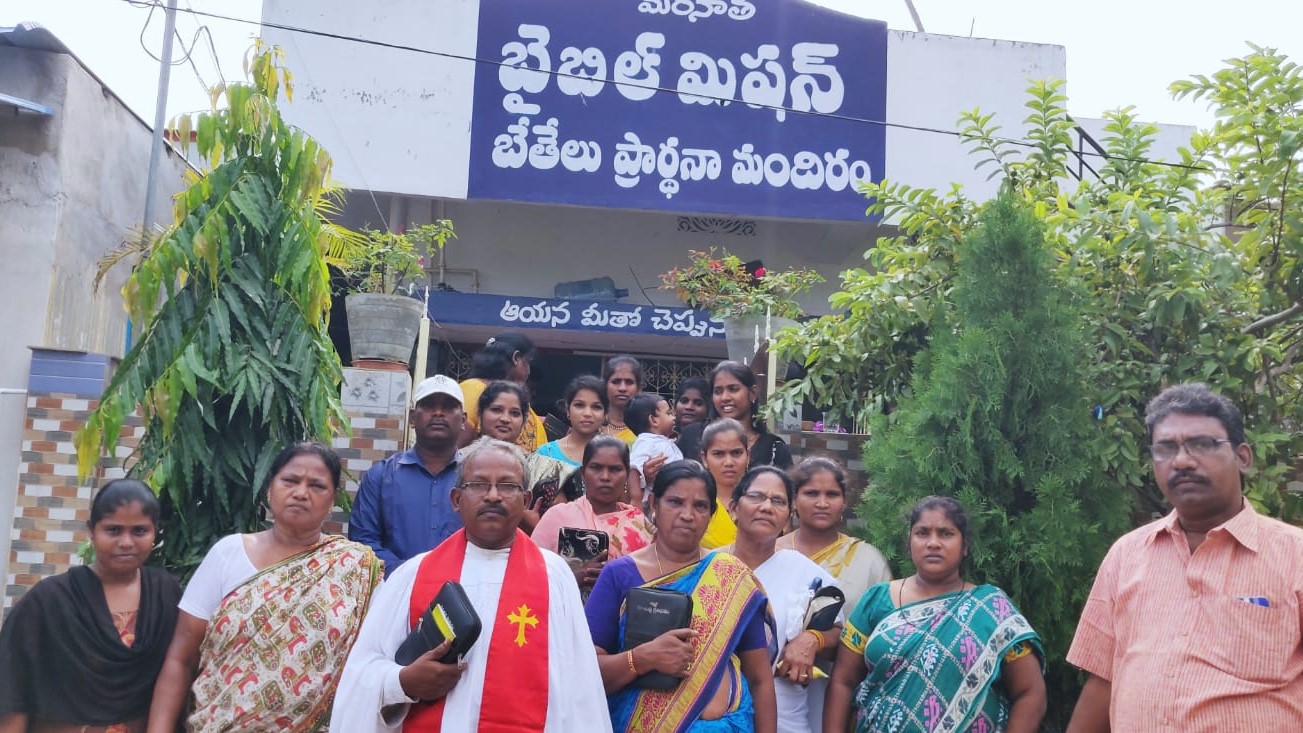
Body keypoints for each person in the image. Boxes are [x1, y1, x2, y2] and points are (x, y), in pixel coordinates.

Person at [1065, 383, 1303, 732]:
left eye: (1202, 444)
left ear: (1243, 457)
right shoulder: (1126, 554)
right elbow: (1105, 679)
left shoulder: (1294, 555)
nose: (1182, 461)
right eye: (1165, 449)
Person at [330, 437, 611, 732]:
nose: (493, 496)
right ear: (456, 499)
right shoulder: (412, 575)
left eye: (507, 486)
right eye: (478, 485)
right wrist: (404, 682)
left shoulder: (555, 576)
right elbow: (361, 675)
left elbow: (581, 691)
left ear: (526, 500)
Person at [147, 443, 382, 732]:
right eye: (290, 481)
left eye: (317, 486)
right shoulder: (228, 554)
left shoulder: (354, 569)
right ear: (270, 488)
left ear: (332, 499)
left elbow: (372, 665)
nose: (301, 492)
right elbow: (181, 658)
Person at [585, 460, 778, 733]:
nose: (687, 515)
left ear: (711, 514)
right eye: (675, 502)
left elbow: (760, 679)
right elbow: (585, 672)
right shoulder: (619, 575)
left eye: (700, 506)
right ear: (653, 504)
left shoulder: (731, 577)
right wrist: (641, 659)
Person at [825, 496, 1046, 733]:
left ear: (965, 546)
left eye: (946, 533)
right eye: (922, 533)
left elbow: (1030, 692)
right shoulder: (876, 601)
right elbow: (842, 682)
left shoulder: (991, 609)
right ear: (909, 543)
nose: (933, 543)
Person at [0, 479, 180, 733]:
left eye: (139, 531)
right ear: (91, 531)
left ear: (155, 533)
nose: (126, 542)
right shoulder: (49, 600)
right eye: (113, 530)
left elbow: (183, 673)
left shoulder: (167, 594)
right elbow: (13, 689)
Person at [721, 467, 843, 733]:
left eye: (778, 501)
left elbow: (838, 632)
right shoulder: (710, 567)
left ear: (788, 518)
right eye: (756, 497)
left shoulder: (803, 571)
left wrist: (813, 639)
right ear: (733, 508)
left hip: (785, 718)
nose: (766, 507)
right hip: (713, 718)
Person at [350, 374, 466, 576]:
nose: (438, 412)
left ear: (463, 419)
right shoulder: (380, 477)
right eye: (429, 405)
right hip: (394, 594)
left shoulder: (477, 480)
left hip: (464, 594)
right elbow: (363, 544)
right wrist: (411, 575)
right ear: (412, 417)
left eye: (448, 406)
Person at [532, 436, 654, 594]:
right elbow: (531, 575)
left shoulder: (639, 525)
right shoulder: (557, 517)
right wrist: (576, 577)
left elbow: (655, 583)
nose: (605, 477)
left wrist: (615, 580)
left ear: (627, 475)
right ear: (583, 473)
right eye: (596, 468)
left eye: (615, 469)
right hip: (567, 613)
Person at [776, 458, 891, 614]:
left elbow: (884, 620)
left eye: (832, 494)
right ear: (794, 501)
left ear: (844, 502)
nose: (822, 503)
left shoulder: (868, 560)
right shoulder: (773, 554)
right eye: (812, 494)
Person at [474, 380, 575, 531]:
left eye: (515, 413)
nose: (505, 419)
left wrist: (535, 527)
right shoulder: (461, 462)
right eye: (496, 410)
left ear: (523, 421)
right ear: (480, 415)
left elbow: (560, 531)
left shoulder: (546, 470)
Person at [678, 361, 792, 470]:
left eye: (733, 389)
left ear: (752, 393)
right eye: (718, 391)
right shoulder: (692, 436)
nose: (725, 397)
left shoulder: (774, 449)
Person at [457, 332, 548, 451]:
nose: (529, 371)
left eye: (515, 413)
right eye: (528, 362)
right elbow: (455, 450)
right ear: (516, 358)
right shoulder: (473, 389)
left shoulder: (517, 398)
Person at [699, 418, 750, 549]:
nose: (728, 462)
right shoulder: (695, 504)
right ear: (704, 458)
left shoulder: (763, 502)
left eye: (736, 453)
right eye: (718, 454)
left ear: (748, 455)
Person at [537, 374, 608, 468]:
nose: (587, 413)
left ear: (605, 414)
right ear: (568, 410)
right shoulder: (546, 454)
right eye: (579, 405)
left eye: (596, 407)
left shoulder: (614, 454)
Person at [626, 392, 683, 508]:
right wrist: (636, 500)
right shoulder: (646, 441)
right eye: (668, 413)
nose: (673, 417)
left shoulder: (664, 441)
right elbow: (633, 468)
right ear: (653, 420)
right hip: (653, 505)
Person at [602, 355, 642, 444]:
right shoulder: (593, 425)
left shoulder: (646, 429)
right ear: (605, 386)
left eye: (629, 382)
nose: (622, 388)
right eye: (616, 381)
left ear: (639, 388)